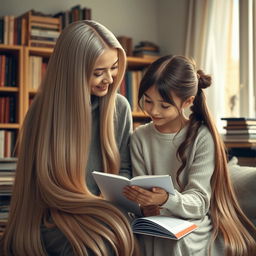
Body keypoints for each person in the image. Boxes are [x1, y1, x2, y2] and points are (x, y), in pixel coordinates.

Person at [1, 20, 137, 256]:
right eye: (98, 72)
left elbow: (125, 169)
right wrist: (87, 205)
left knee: (114, 236)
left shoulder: (120, 108)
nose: (110, 79)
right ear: (73, 71)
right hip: (54, 213)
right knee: (87, 247)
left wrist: (109, 199)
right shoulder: (41, 112)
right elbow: (40, 185)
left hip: (106, 209)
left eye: (114, 67)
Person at [123, 55, 256, 256]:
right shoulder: (140, 137)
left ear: (188, 101)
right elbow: (140, 189)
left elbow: (200, 203)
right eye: (148, 101)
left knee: (175, 243)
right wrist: (144, 205)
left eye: (164, 105)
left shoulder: (202, 137)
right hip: (156, 220)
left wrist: (166, 199)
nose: (153, 111)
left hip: (193, 222)